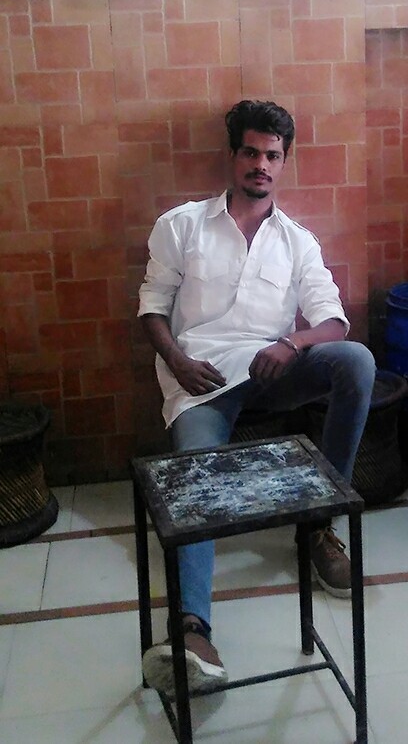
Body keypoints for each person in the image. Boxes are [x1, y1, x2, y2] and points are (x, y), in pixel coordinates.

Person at [137, 100, 376, 698]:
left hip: (273, 370)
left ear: (283, 162)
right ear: (233, 155)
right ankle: (193, 631)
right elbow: (152, 309)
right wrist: (177, 362)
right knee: (196, 476)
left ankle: (317, 527)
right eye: (251, 152)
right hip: (201, 381)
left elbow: (334, 322)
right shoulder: (181, 225)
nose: (261, 165)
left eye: (272, 155)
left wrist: (292, 343)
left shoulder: (297, 242)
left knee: (356, 361)